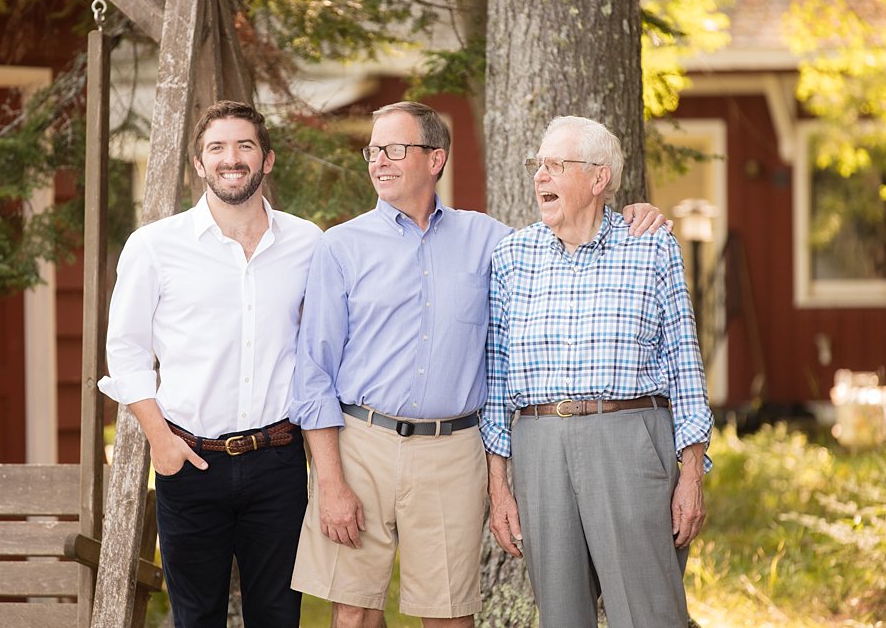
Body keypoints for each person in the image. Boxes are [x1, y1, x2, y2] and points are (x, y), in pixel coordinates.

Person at [287, 102, 666, 628]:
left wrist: (632, 214)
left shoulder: (492, 242)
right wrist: (329, 482)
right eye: (373, 151)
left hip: (452, 451)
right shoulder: (339, 248)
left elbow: (568, 235)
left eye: (395, 149)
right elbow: (313, 376)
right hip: (361, 444)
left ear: (435, 158)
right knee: (353, 613)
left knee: (448, 616)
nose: (380, 161)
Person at [481, 116, 713, 627]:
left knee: (648, 612)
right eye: (536, 165)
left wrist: (693, 471)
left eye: (555, 165)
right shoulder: (512, 256)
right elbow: (496, 378)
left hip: (629, 438)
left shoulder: (650, 244)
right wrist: (499, 486)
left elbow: (684, 363)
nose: (540, 176)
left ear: (598, 177)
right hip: (538, 445)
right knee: (561, 614)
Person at [99, 100, 321, 628]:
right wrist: (161, 442)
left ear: (266, 160)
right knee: (196, 617)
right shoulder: (155, 246)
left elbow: (321, 352)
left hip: (279, 461)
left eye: (245, 146)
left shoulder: (308, 243)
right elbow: (126, 351)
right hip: (190, 461)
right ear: (198, 165)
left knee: (278, 615)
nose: (231, 158)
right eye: (216, 148)